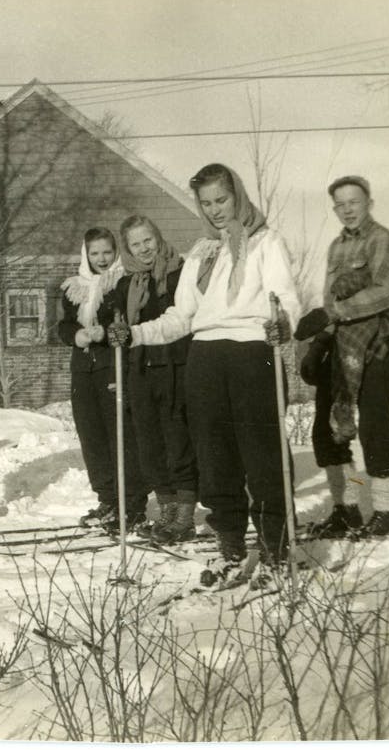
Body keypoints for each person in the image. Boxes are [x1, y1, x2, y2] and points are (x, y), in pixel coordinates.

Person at [112, 164, 298, 582]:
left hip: (253, 351)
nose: (215, 210)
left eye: (222, 200)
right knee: (215, 460)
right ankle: (230, 546)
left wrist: (283, 322)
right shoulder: (201, 252)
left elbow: (284, 297)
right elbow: (181, 316)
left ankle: (274, 549)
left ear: (238, 197)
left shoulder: (267, 242)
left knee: (261, 455)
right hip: (206, 358)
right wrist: (136, 333)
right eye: (206, 203)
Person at [295, 175, 389, 539]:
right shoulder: (335, 248)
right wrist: (320, 342)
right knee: (329, 431)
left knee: (373, 427)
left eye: (353, 202)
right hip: (340, 345)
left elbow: (386, 292)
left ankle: (386, 514)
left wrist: (334, 313)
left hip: (375, 344)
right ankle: (348, 508)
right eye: (340, 204)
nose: (347, 210)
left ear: (368, 202)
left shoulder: (383, 240)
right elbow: (331, 304)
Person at [105, 215, 197, 543]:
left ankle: (184, 513)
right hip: (141, 369)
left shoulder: (179, 273)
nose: (144, 249)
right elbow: (116, 324)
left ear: (157, 238)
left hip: (176, 365)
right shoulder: (124, 284)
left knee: (177, 438)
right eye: (135, 244)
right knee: (149, 442)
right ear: (127, 249)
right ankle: (167, 508)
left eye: (148, 240)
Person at [57, 227, 141, 532]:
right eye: (95, 253)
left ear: (116, 252)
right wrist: (76, 334)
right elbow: (63, 326)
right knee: (92, 437)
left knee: (120, 434)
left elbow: (128, 322)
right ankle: (108, 500)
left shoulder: (123, 282)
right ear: (86, 254)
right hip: (83, 369)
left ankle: (131, 504)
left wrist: (104, 332)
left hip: (113, 365)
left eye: (107, 252)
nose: (101, 259)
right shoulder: (74, 287)